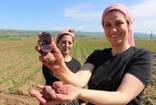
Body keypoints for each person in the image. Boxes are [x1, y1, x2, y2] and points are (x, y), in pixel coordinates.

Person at [30, 3, 154, 105]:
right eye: (107, 25)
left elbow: (123, 96)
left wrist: (79, 93)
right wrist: (60, 67)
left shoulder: (141, 56)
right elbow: (78, 81)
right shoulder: (97, 56)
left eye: (118, 23)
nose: (113, 29)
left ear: (128, 25)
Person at [41, 29, 85, 105]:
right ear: (57, 43)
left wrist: (82, 103)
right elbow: (51, 81)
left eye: (70, 43)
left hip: (72, 102)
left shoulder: (76, 64)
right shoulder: (50, 62)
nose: (67, 45)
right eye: (63, 42)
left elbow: (80, 86)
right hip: (52, 101)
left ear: (73, 45)